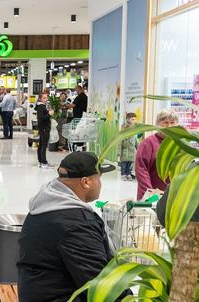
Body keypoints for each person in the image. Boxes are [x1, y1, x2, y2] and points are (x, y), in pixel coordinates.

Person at [17, 152, 127, 302]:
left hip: (37, 289)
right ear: (86, 182)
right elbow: (99, 285)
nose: (101, 184)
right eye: (99, 178)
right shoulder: (76, 224)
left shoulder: (47, 202)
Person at [135, 110, 178, 200]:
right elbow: (141, 170)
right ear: (157, 124)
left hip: (173, 197)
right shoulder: (148, 143)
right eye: (165, 122)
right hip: (151, 197)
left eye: (172, 122)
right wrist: (150, 193)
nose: (169, 126)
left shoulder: (179, 144)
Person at [36, 92, 55, 169]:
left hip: (43, 128)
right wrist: (49, 114)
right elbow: (42, 118)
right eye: (44, 98)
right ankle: (44, 162)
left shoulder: (42, 106)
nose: (46, 99)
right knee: (43, 145)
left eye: (46, 97)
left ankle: (41, 161)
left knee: (41, 145)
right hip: (44, 128)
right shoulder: (41, 106)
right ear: (40, 98)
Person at [118, 113, 138, 181]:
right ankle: (123, 174)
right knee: (124, 164)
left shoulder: (134, 129)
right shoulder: (123, 129)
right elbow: (120, 142)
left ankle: (129, 174)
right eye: (132, 119)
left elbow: (136, 140)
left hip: (132, 150)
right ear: (128, 120)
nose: (134, 121)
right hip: (125, 150)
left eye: (135, 119)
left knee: (130, 164)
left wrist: (139, 148)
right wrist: (119, 152)